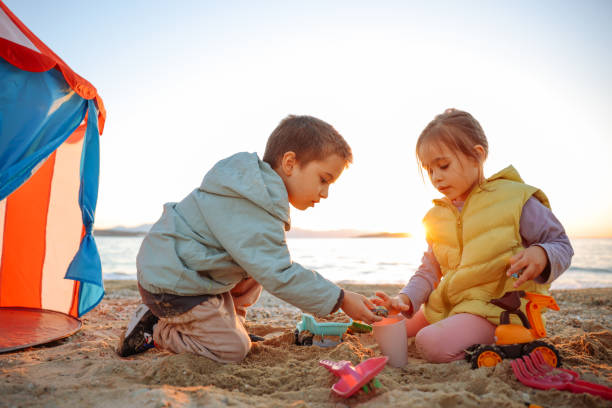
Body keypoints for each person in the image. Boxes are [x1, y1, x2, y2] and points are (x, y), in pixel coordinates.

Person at [117, 115, 381, 362]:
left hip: (187, 269)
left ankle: (231, 323)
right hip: (173, 287)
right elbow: (280, 274)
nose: (324, 193)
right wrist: (341, 298)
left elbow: (269, 265)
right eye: (323, 179)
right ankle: (156, 330)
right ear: (290, 163)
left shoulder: (255, 193)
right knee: (233, 351)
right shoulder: (250, 204)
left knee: (257, 266)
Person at [373, 108, 573, 363]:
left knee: (429, 342)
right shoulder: (437, 216)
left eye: (443, 165)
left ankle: (497, 351)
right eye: (429, 170)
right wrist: (404, 299)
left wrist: (542, 254)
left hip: (498, 312)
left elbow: (561, 245)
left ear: (477, 156)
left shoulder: (514, 199)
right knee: (388, 325)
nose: (436, 177)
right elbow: (428, 270)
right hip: (452, 306)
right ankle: (451, 331)